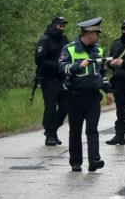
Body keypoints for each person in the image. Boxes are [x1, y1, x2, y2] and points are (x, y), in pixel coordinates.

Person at [59, 17, 114, 172]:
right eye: (97, 33)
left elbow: (101, 73)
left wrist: (108, 90)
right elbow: (61, 67)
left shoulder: (99, 50)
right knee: (75, 130)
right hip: (74, 97)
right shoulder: (69, 49)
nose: (98, 37)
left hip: (92, 97)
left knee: (92, 129)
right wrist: (77, 66)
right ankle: (76, 162)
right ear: (89, 33)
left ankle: (94, 161)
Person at [34, 16, 70, 146]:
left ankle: (53, 129)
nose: (62, 28)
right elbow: (39, 59)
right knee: (51, 107)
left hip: (63, 78)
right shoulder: (45, 40)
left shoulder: (65, 40)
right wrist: (55, 65)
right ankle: (50, 135)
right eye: (60, 25)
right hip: (49, 79)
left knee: (65, 106)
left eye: (64, 26)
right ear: (54, 25)